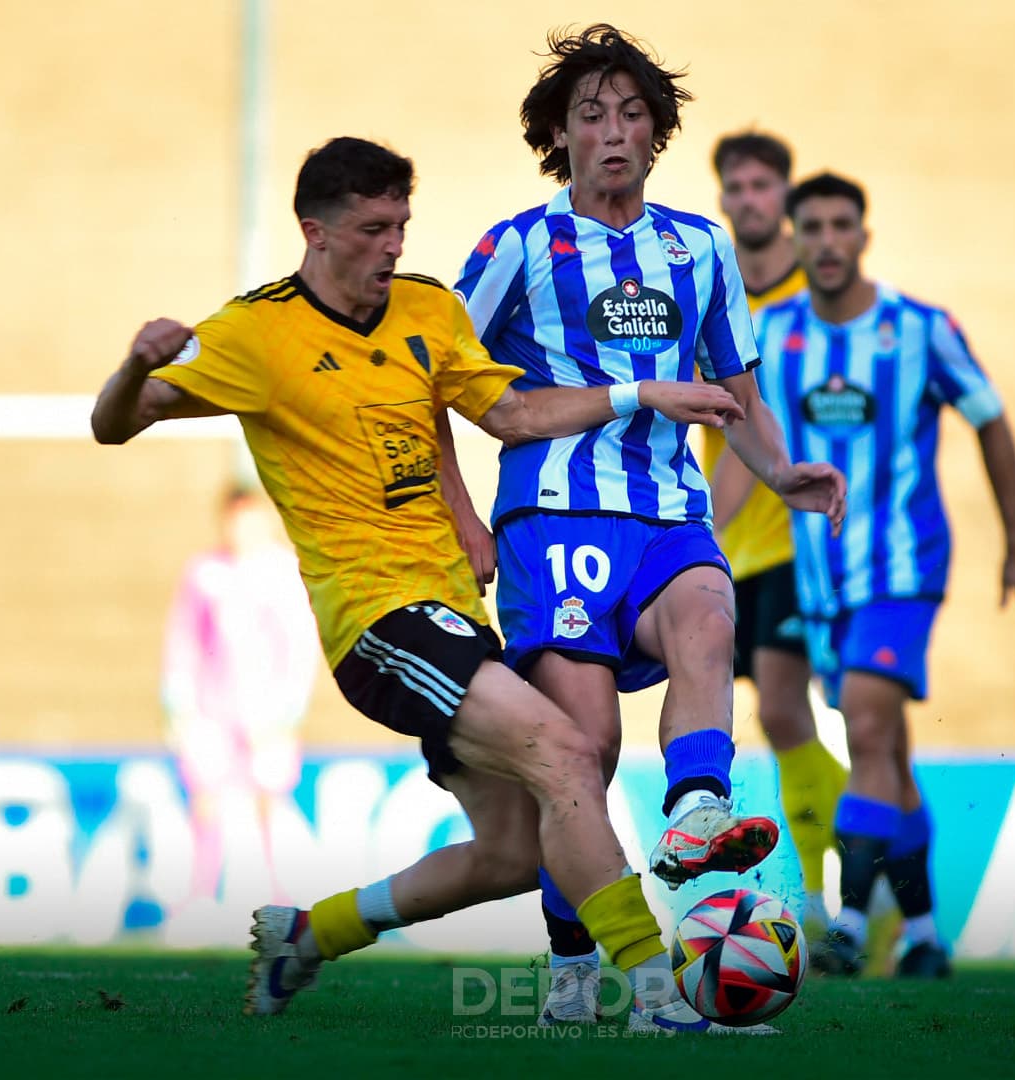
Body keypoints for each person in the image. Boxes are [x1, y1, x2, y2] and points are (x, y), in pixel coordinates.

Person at [92, 135, 756, 1033]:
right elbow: (116, 424)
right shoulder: (254, 333)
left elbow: (510, 413)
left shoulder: (427, 308)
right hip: (377, 619)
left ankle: (309, 935)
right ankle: (654, 990)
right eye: (374, 229)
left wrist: (638, 395)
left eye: (401, 225)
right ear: (316, 232)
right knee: (567, 753)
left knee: (512, 853)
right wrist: (136, 365)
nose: (394, 245)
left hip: (451, 612)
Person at [449, 25, 846, 1024]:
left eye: (633, 114)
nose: (615, 132)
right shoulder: (515, 248)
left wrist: (781, 470)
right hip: (555, 520)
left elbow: (737, 392)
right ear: (559, 136)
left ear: (657, 133)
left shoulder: (699, 247)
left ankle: (698, 811)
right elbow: (438, 381)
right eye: (592, 116)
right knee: (582, 751)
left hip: (670, 511)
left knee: (710, 618)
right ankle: (573, 962)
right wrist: (457, 515)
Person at [755, 172, 1015, 978]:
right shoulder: (770, 335)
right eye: (811, 227)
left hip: (902, 569)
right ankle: (923, 936)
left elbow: (990, 418)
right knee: (886, 747)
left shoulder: (921, 328)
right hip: (820, 582)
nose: (826, 241)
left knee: (865, 728)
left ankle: (851, 926)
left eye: (840, 225)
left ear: (864, 236)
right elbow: (742, 437)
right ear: (794, 239)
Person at [702, 131, 849, 936]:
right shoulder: (713, 292)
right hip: (738, 548)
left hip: (806, 541)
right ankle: (847, 887)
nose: (749, 199)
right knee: (777, 720)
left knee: (793, 709)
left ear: (785, 198)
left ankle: (848, 888)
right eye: (737, 186)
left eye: (763, 185)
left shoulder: (810, 300)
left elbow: (760, 423)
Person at [160, 480, 317, 917]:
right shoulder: (204, 572)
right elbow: (183, 640)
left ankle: (278, 897)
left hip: (268, 712)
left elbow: (300, 644)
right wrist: (178, 703)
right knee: (206, 798)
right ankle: (200, 894)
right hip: (212, 710)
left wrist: (289, 709)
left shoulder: (285, 572)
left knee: (269, 800)